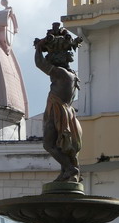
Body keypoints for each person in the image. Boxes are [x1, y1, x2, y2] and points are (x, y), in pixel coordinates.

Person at [34, 22, 83, 183]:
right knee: (65, 147)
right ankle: (68, 174)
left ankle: (69, 168)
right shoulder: (73, 75)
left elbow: (40, 64)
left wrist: (39, 47)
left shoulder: (61, 73)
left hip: (58, 112)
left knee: (49, 144)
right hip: (67, 113)